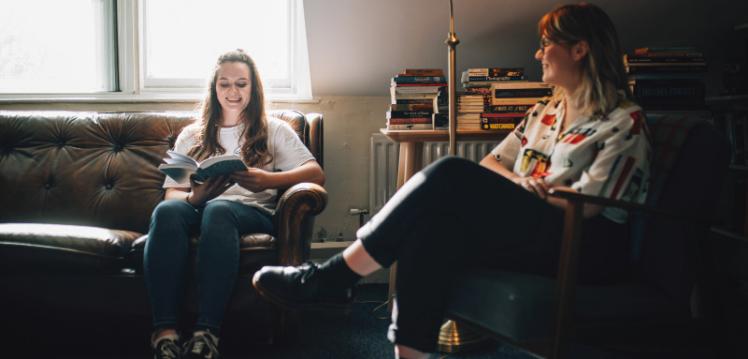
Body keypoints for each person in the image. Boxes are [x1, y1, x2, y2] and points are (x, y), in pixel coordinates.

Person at [253, 3, 650, 359]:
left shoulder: (622, 120)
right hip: (538, 224)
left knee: (451, 172)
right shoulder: (545, 111)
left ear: (579, 49)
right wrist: (521, 186)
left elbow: (592, 205)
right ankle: (408, 352)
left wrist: (533, 195)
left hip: (586, 242)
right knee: (432, 227)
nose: (537, 53)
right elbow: (496, 162)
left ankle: (334, 276)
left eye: (546, 44)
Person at [144, 49, 325, 359]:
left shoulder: (274, 129)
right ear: (214, 88)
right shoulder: (192, 135)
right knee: (167, 211)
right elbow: (172, 194)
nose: (232, 92)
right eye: (224, 84)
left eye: (241, 84)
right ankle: (165, 331)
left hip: (253, 211)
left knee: (220, 210)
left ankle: (207, 332)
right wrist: (194, 197)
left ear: (253, 88)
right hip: (201, 206)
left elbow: (315, 173)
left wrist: (268, 180)